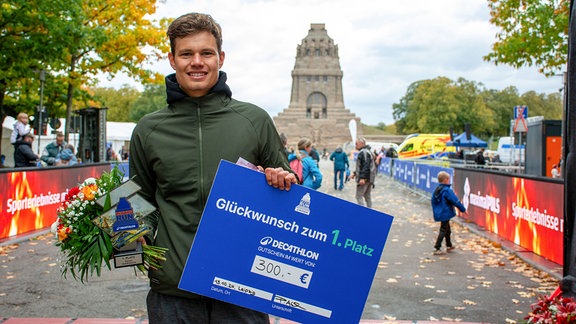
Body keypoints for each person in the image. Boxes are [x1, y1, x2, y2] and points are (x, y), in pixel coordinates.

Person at [129, 12, 296, 324]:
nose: (197, 62)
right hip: (173, 293)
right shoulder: (148, 129)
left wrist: (283, 180)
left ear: (220, 57)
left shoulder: (254, 120)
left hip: (241, 291)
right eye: (186, 54)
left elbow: (291, 196)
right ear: (171, 59)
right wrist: (134, 248)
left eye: (206, 53)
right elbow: (134, 200)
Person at [431, 171, 468, 255]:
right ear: (446, 179)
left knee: (447, 229)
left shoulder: (437, 190)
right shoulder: (447, 190)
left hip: (440, 212)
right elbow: (455, 201)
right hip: (445, 212)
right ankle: (437, 247)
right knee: (443, 229)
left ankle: (449, 245)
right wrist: (463, 209)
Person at [350, 137, 375, 208]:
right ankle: (369, 211)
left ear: (362, 143)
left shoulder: (363, 152)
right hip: (370, 178)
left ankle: (362, 213)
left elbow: (366, 166)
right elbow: (364, 166)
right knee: (367, 196)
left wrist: (362, 178)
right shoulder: (368, 151)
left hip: (365, 178)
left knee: (358, 196)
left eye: (357, 143)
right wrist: (355, 173)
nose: (355, 145)